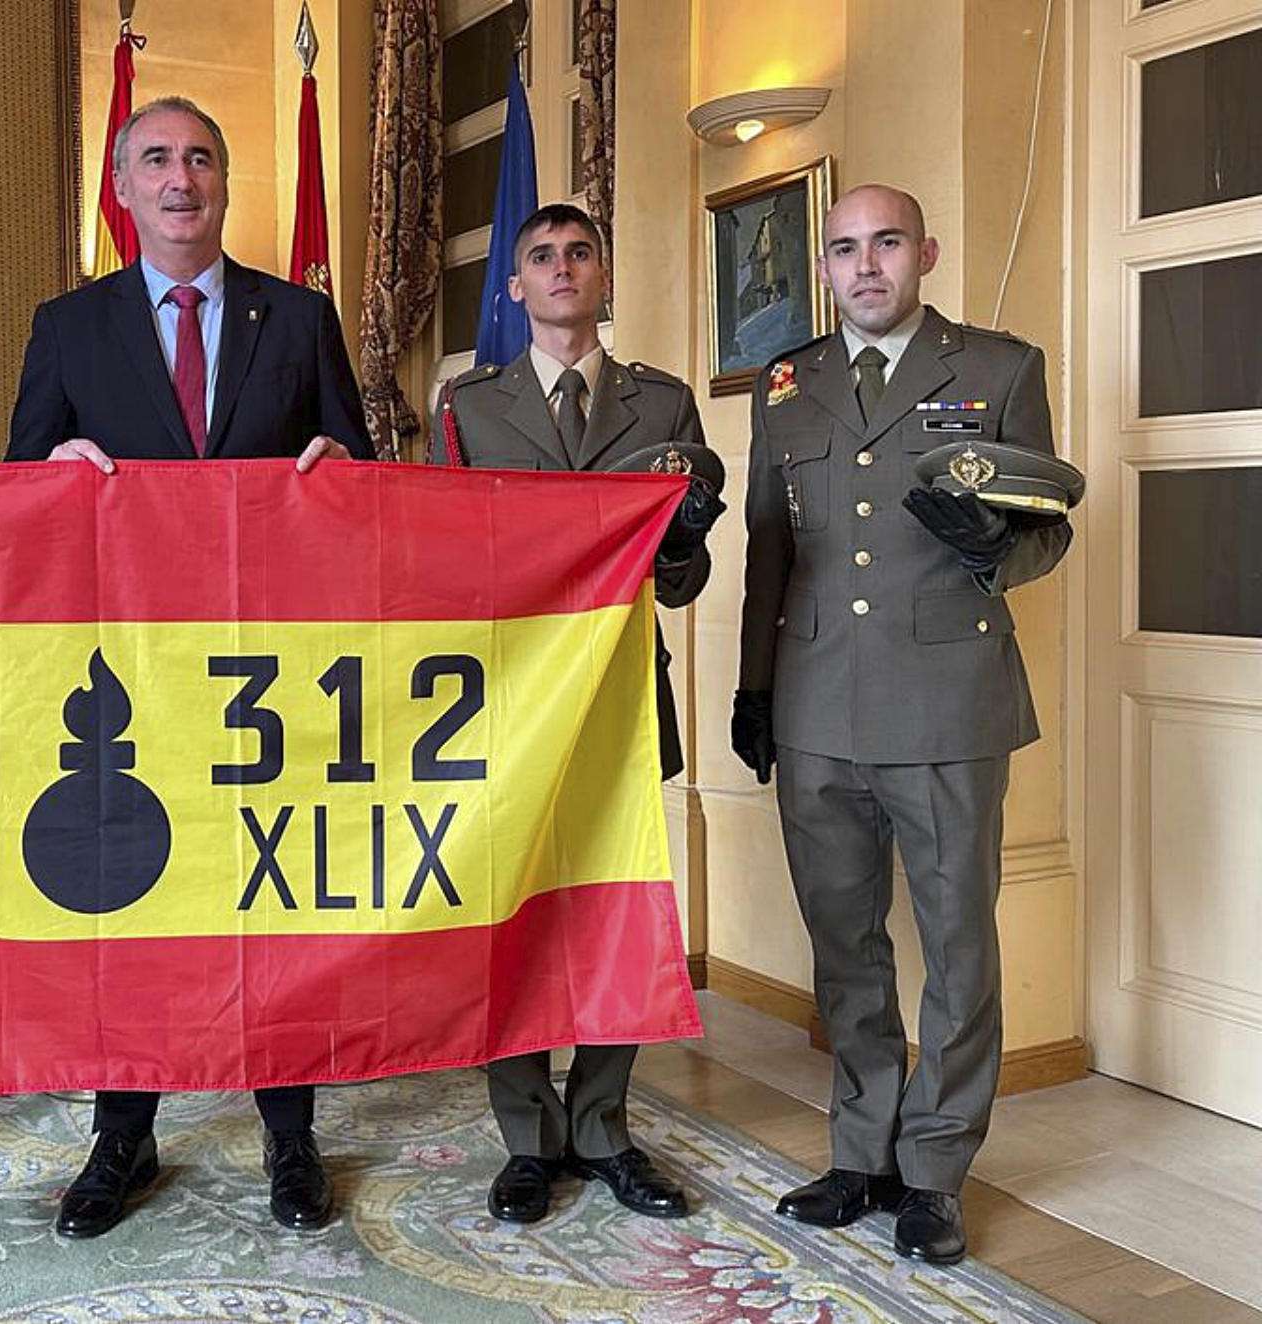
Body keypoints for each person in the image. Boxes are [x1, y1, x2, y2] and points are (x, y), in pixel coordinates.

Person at [7, 95, 372, 1238]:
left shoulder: (301, 317)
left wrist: (339, 467)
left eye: (201, 157)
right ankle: (124, 1133)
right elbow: (18, 493)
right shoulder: (68, 326)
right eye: (156, 159)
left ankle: (291, 1129)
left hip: (270, 675)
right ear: (123, 187)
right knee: (135, 905)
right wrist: (51, 468)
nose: (181, 177)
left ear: (225, 182)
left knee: (277, 896)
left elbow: (359, 467)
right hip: (131, 678)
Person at [731, 184, 1073, 1264]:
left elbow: (1043, 535)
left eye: (885, 243)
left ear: (924, 250)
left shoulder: (997, 368)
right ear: (821, 267)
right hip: (817, 702)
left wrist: (992, 545)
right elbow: (768, 549)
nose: (866, 264)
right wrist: (754, 689)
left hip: (946, 702)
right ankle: (862, 1150)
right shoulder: (787, 384)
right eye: (843, 248)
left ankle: (933, 1170)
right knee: (846, 948)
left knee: (959, 950)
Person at [427, 202, 724, 1225]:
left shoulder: (665, 402)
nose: (561, 269)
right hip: (509, 700)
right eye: (542, 258)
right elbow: (442, 564)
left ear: (604, 275)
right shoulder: (468, 405)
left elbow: (682, 578)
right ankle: (525, 1132)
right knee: (511, 913)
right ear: (516, 288)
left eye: (579, 253)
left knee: (616, 912)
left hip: (624, 695)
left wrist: (682, 538)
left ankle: (603, 1125)